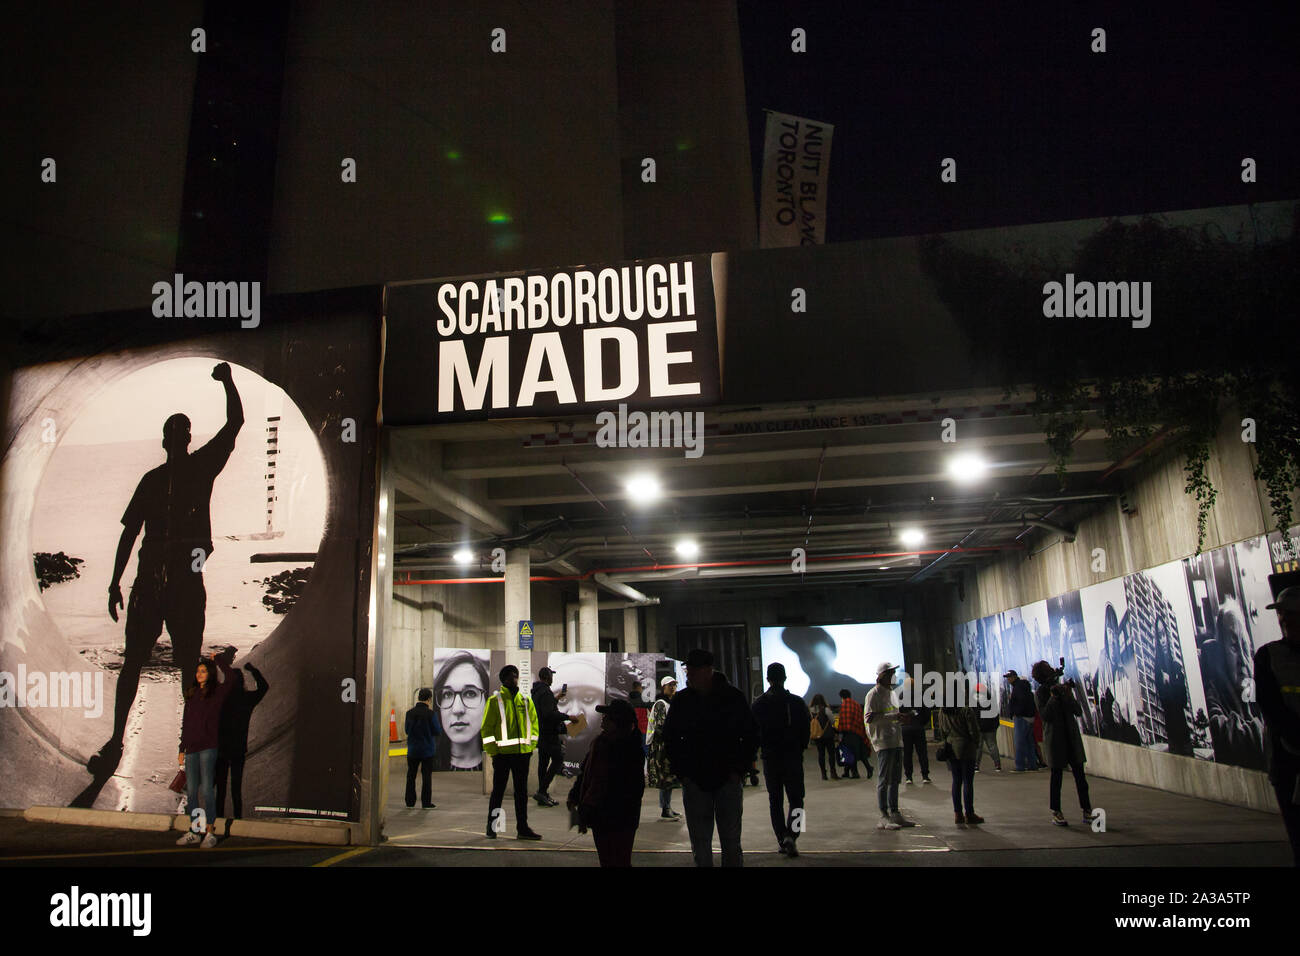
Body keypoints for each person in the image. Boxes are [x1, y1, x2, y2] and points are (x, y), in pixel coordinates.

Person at [92, 363, 243, 778]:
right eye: (174, 433)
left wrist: (228, 382)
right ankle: (126, 740)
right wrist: (113, 582)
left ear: (180, 439)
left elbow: (235, 422)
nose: (176, 439)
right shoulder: (161, 478)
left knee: (174, 666)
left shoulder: (191, 470)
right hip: (157, 580)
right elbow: (129, 534)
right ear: (168, 440)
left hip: (167, 581)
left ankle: (181, 744)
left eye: (180, 433)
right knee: (151, 663)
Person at [660, 649, 760, 867]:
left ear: (707, 671)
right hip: (697, 781)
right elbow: (670, 738)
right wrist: (683, 774)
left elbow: (751, 735)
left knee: (729, 842)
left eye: (692, 671)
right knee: (702, 843)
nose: (688, 675)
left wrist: (738, 770)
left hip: (725, 780)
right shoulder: (684, 700)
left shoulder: (732, 698)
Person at [567, 698, 645, 867]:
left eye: (607, 717)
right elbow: (585, 774)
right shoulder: (600, 743)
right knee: (607, 860)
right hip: (600, 816)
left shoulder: (629, 749)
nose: (602, 720)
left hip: (620, 818)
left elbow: (632, 788)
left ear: (618, 722)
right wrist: (575, 796)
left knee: (620, 860)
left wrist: (591, 806)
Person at [176, 649, 241, 847]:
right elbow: (186, 723)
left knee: (207, 792)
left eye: (203, 671)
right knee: (192, 792)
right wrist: (182, 748)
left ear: (210, 674)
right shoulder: (192, 693)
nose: (199, 674)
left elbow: (230, 678)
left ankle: (210, 833)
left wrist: (219, 660)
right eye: (198, 671)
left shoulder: (217, 693)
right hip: (192, 749)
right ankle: (194, 831)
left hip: (208, 748)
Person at [1256, 586, 1300, 865]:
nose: (1284, 619)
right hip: (1286, 760)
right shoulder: (1268, 656)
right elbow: (1270, 706)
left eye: (1290, 613)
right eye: (1282, 613)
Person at [752, 662, 812, 857]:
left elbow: (753, 733)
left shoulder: (759, 704)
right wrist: (800, 747)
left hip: (770, 758)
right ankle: (793, 837)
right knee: (797, 799)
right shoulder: (797, 702)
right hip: (793, 757)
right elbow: (806, 729)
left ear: (768, 679)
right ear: (785, 678)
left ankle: (781, 838)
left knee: (774, 800)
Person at [480, 664, 542, 840]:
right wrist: (494, 752)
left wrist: (529, 749)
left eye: (515, 675)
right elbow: (487, 729)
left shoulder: (525, 700)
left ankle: (523, 829)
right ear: (504, 679)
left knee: (521, 793)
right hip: (502, 756)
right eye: (510, 676)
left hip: (522, 755)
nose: (514, 678)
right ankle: (492, 827)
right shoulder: (495, 701)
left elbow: (534, 726)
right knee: (498, 792)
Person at [1032, 660, 1093, 826]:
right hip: (1055, 740)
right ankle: (1056, 811)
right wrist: (1053, 698)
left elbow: (1078, 711)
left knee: (1080, 777)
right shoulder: (1040, 694)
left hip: (1070, 737)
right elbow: (1045, 716)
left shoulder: (1062, 690)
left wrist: (1066, 695)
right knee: (1056, 778)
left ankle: (1087, 810)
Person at [215, 652, 268, 820]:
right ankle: (237, 820)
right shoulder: (247, 699)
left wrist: (218, 660)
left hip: (222, 748)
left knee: (221, 789)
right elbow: (264, 687)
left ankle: (218, 818)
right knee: (235, 789)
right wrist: (253, 670)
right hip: (238, 749)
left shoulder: (222, 698)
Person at [866, 662, 913, 830]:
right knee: (884, 779)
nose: (894, 675)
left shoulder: (892, 693)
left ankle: (895, 812)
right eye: (891, 672)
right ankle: (884, 815)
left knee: (895, 779)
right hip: (883, 742)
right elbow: (869, 718)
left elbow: (890, 715)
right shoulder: (873, 694)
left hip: (895, 740)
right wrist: (894, 716)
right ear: (883, 675)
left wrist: (900, 718)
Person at [781, 626, 873, 704]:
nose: (806, 652)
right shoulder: (802, 705)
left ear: (832, 650)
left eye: (812, 642)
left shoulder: (872, 694)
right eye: (800, 650)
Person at [432, 650, 490, 771]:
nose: (457, 709)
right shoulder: (431, 763)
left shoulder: (497, 764)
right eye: (447, 695)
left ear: (486, 701)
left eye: (470, 693)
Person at [532, 666, 581, 806]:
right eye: (551, 675)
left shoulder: (537, 692)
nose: (553, 678)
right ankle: (542, 791)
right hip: (549, 734)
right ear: (547, 677)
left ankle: (543, 795)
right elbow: (549, 714)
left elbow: (544, 709)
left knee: (543, 764)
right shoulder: (546, 692)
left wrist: (557, 698)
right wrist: (568, 717)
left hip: (541, 733)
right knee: (558, 759)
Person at [939, 703, 984, 825]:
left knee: (956, 780)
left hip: (950, 747)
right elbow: (973, 730)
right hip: (966, 748)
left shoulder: (943, 711)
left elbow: (942, 730)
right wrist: (975, 742)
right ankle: (969, 814)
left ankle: (957, 814)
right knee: (968, 781)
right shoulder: (966, 710)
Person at [646, 676, 681, 818]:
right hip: (661, 747)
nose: (672, 687)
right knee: (665, 778)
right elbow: (661, 728)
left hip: (666, 745)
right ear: (663, 687)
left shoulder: (669, 704)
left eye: (674, 685)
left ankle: (667, 807)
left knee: (668, 778)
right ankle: (665, 808)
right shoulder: (661, 704)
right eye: (669, 685)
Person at [404, 688, 441, 809]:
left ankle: (410, 801)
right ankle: (426, 803)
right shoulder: (431, 714)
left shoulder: (409, 713)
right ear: (429, 699)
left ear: (419, 697)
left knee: (411, 775)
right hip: (427, 750)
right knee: (426, 777)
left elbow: (407, 730)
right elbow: (436, 730)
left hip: (413, 749)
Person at [897, 678, 931, 785]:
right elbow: (927, 712)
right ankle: (925, 776)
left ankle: (909, 777)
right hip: (918, 727)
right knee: (922, 753)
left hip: (906, 728)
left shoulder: (901, 696)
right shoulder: (921, 695)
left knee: (907, 753)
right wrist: (921, 723)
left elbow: (899, 712)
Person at [1006, 670, 1039, 771]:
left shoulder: (1018, 687)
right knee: (1029, 742)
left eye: (1009, 677)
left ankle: (1020, 765)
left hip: (1022, 717)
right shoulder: (1023, 686)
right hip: (1029, 717)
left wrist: (1016, 712)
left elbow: (1021, 701)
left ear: (1014, 677)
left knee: (1019, 742)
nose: (1008, 679)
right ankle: (1032, 764)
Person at [836, 688, 872, 778]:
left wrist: (839, 732)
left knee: (850, 752)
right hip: (858, 731)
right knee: (858, 751)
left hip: (848, 733)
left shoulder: (844, 705)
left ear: (841, 697)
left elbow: (843, 720)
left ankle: (856, 773)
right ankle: (847, 772)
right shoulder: (856, 704)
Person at [973, 685, 1002, 772]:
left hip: (979, 728)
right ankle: (997, 765)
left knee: (978, 747)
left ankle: (976, 766)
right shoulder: (991, 701)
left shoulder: (975, 703)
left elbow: (974, 716)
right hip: (990, 728)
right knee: (992, 746)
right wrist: (995, 726)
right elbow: (996, 716)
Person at [809, 693, 838, 780]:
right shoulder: (826, 709)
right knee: (831, 754)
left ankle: (823, 774)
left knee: (821, 754)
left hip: (817, 735)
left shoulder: (811, 710)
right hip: (827, 734)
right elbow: (832, 720)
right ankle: (833, 772)